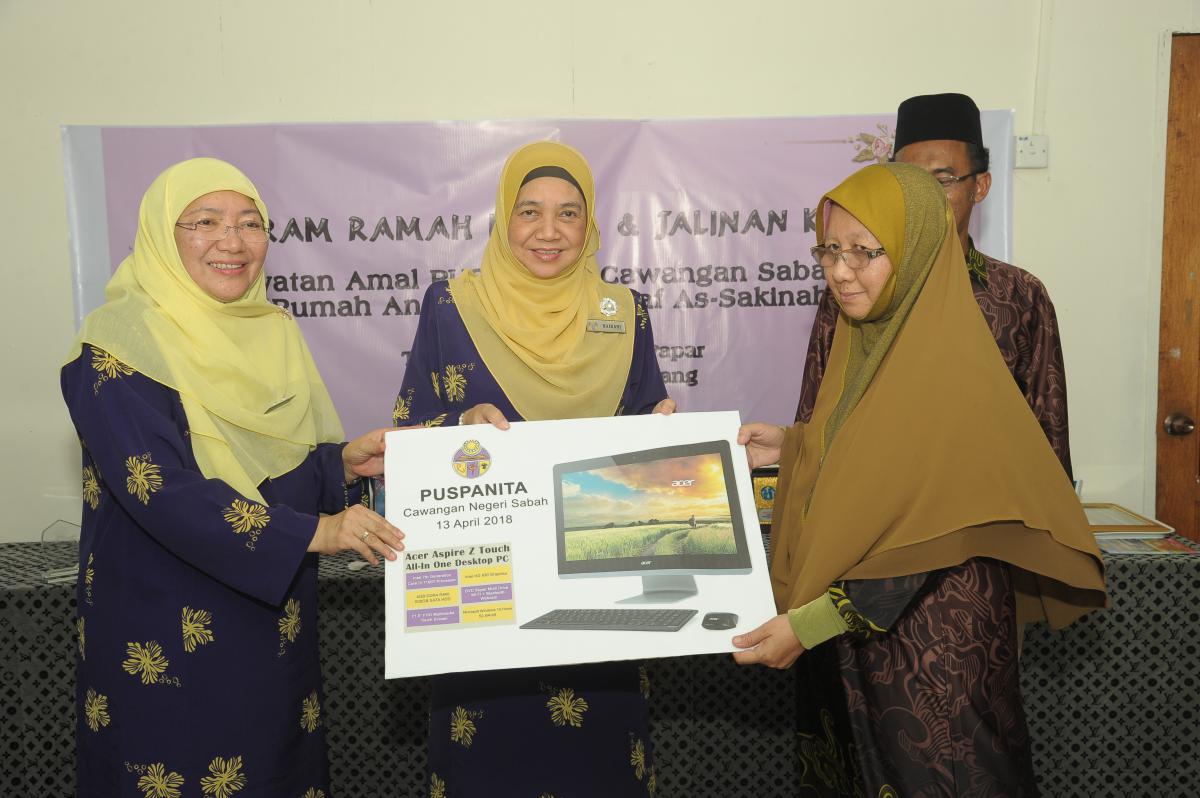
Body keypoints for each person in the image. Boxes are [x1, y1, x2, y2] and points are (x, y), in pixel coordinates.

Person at [733, 162, 1106, 797]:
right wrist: (793, 446)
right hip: (858, 642)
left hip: (936, 655)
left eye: (864, 251)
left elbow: (932, 533)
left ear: (917, 253)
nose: (841, 271)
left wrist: (810, 624)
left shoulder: (958, 371)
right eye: (830, 250)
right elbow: (882, 465)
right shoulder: (866, 342)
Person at [61, 158, 405, 797]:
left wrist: (340, 465)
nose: (232, 241)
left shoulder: (272, 331)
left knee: (275, 772)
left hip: (271, 627)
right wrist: (318, 533)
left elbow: (275, 469)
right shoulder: (116, 348)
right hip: (164, 632)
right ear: (163, 235)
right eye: (205, 222)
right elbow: (159, 490)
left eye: (251, 223)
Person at [393, 140, 672, 797]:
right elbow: (405, 438)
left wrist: (662, 437)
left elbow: (644, 430)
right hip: (484, 598)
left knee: (599, 769)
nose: (549, 231)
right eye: (530, 212)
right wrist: (457, 428)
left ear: (590, 224)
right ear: (503, 219)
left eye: (568, 213)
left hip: (599, 601)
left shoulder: (624, 312)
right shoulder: (450, 306)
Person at [799, 92, 1073, 476]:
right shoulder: (855, 289)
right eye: (909, 183)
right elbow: (816, 418)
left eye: (942, 180)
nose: (926, 197)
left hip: (986, 503)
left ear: (980, 186)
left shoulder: (1019, 296)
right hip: (868, 496)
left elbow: (1048, 437)